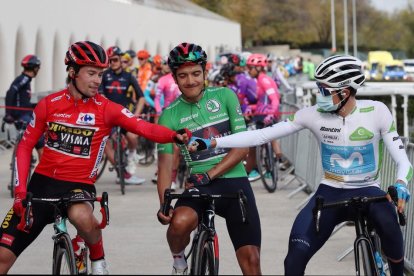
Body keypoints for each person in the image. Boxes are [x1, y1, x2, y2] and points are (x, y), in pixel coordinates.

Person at [189, 55, 412, 276]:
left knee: (390, 226)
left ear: (344, 92)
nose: (319, 95)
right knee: (294, 257)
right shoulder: (313, 114)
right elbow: (262, 135)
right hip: (330, 192)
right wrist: (213, 142)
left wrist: (401, 183)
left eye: (324, 90)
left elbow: (403, 160)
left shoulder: (377, 111)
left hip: (369, 190)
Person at [0, 41, 190, 275]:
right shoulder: (48, 105)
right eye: (91, 73)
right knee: (2, 257)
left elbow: (144, 128)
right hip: (42, 184)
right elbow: (25, 146)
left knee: (81, 215)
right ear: (72, 72)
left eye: (100, 74)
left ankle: (98, 260)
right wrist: (20, 193)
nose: (97, 81)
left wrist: (173, 135)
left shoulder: (106, 108)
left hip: (78, 186)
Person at [156, 42, 262, 275]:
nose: (190, 81)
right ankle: (179, 261)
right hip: (198, 185)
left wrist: (211, 174)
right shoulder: (169, 115)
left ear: (205, 72)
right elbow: (164, 164)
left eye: (196, 73)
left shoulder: (225, 96)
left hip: (234, 181)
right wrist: (164, 204)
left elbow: (242, 146)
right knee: (179, 224)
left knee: (252, 261)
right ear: (174, 78)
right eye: (182, 76)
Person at [100, 46, 146, 183]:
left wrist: (136, 114)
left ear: (121, 59)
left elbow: (141, 97)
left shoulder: (128, 76)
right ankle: (123, 174)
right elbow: (101, 95)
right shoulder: (104, 75)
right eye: (110, 60)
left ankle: (131, 155)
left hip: (123, 114)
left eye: (115, 60)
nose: (112, 63)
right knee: (106, 146)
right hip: (107, 116)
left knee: (133, 137)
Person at [4, 55, 44, 158]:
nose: (38, 70)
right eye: (38, 68)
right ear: (35, 68)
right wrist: (8, 113)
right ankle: (44, 171)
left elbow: (23, 103)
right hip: (21, 116)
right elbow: (10, 92)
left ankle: (18, 158)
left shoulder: (25, 80)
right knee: (41, 140)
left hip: (23, 114)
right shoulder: (24, 79)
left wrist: (36, 105)